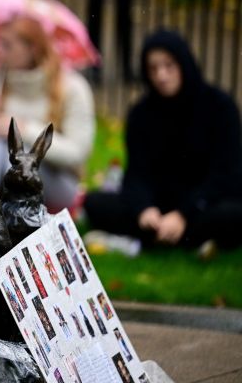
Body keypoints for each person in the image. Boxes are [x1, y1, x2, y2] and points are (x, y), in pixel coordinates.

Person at [84, 30, 242, 250]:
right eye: (153, 68)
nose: (161, 76)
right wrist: (144, 209)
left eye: (169, 66)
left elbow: (226, 176)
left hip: (203, 203)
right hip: (159, 205)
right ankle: (186, 239)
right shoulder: (141, 113)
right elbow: (137, 174)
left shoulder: (220, 107)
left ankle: (155, 238)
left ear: (184, 64)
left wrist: (183, 214)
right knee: (95, 203)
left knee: (233, 214)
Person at [0, 16, 95, 211]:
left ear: (32, 48)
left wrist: (23, 130)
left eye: (7, 45)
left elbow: (78, 153)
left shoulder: (72, 87)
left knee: (17, 149)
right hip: (1, 182)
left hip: (56, 185)